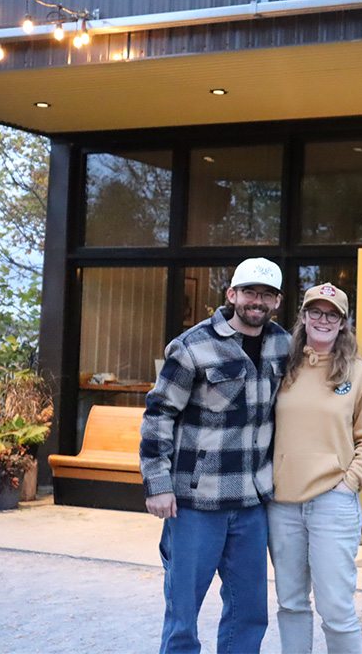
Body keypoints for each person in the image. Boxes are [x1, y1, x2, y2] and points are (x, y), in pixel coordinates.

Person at [140, 257, 289, 654]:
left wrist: (360, 381)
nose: (257, 301)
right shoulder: (192, 346)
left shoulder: (284, 345)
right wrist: (157, 485)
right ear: (232, 295)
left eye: (266, 294)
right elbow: (158, 415)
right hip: (195, 503)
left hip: (253, 504)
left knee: (249, 612)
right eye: (250, 293)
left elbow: (327, 370)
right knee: (183, 613)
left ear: (276, 301)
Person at [268, 283, 362, 654]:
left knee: (336, 609)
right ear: (303, 317)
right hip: (282, 505)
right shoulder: (279, 367)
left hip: (332, 505)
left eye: (331, 314)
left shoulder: (359, 374)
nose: (322, 319)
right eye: (315, 312)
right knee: (291, 603)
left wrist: (348, 484)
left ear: (342, 323)